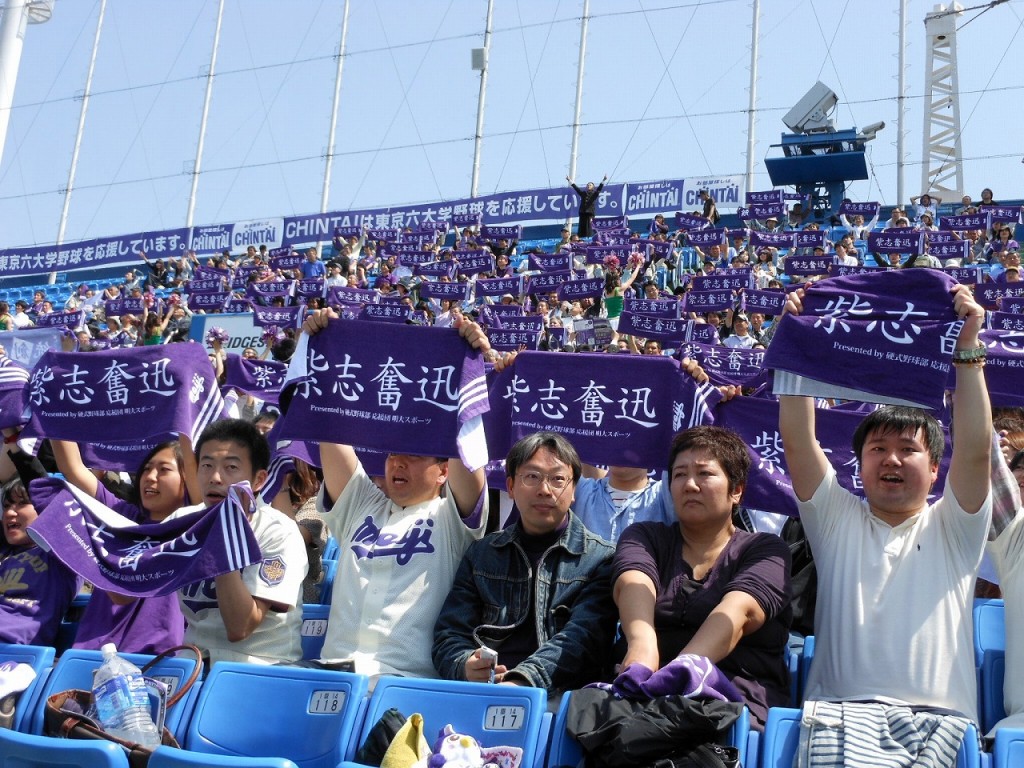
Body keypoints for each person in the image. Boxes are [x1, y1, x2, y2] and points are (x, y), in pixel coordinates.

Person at [778, 283, 991, 727]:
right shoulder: (835, 520)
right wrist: (795, 343)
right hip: (834, 721)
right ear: (858, 465)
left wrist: (968, 352)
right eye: (877, 449)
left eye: (907, 449)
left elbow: (975, 451)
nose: (891, 459)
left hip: (941, 725)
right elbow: (798, 441)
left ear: (935, 469)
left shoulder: (956, 527)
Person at [303, 307, 490, 679]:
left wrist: (470, 366)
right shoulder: (361, 504)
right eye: (392, 454)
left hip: (405, 683)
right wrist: (325, 346)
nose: (398, 463)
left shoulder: (451, 520)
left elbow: (467, 445)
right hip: (333, 676)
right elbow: (331, 423)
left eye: (415, 456)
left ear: (443, 471)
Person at [612, 426, 792, 729]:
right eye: (680, 474)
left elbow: (738, 613)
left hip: (730, 704)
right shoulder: (645, 537)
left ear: (737, 490)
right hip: (640, 696)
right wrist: (642, 649)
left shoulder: (766, 550)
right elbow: (633, 583)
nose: (690, 485)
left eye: (705, 474)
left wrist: (678, 675)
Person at [432, 432, 616, 691]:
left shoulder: (601, 559)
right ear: (510, 486)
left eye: (557, 479)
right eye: (532, 477)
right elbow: (449, 634)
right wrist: (465, 664)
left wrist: (521, 680)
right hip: (484, 690)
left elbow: (582, 639)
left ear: (574, 489)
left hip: (560, 696)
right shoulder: (482, 554)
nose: (544, 490)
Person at [168, 419, 307, 665]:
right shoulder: (182, 522)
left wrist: (223, 537)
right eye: (206, 465)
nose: (215, 478)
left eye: (231, 467)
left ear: (259, 480)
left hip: (258, 668)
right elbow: (123, 593)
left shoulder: (277, 531)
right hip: (193, 665)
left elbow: (240, 627)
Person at [50, 437, 199, 654]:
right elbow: (73, 468)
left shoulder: (194, 527)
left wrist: (184, 433)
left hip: (157, 656)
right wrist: (53, 418)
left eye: (164, 470)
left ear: (188, 478)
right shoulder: (120, 515)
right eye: (146, 469)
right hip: (94, 652)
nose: (150, 477)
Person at [0, 477, 82, 645]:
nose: (9, 513)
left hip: (14, 648)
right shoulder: (6, 554)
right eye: (6, 506)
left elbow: (60, 511)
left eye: (22, 503)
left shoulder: (64, 554)